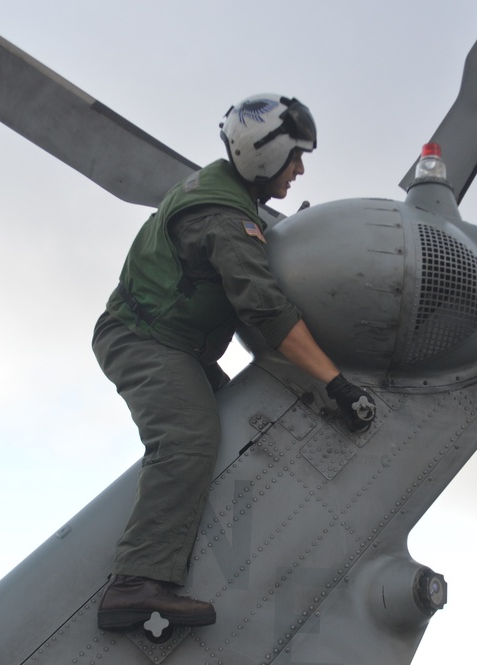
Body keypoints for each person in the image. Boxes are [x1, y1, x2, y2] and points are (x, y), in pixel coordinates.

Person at [92, 94, 375, 631]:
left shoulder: (228, 198)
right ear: (265, 158)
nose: (300, 169)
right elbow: (265, 309)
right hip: (144, 342)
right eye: (295, 157)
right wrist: (336, 384)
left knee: (241, 425)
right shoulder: (223, 217)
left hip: (177, 345)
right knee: (189, 438)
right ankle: (136, 583)